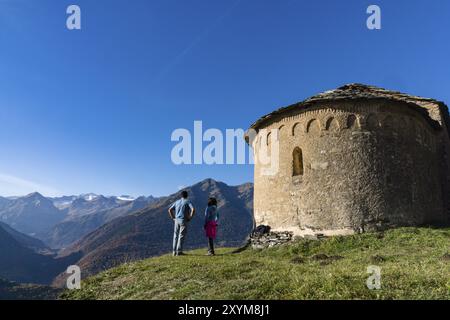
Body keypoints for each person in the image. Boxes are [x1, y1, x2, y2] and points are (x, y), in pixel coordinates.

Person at [168, 190, 195, 256]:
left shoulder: (177, 202)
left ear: (181, 195)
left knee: (175, 235)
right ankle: (179, 251)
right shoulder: (187, 201)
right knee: (181, 236)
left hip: (176, 220)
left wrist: (173, 218)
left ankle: (174, 252)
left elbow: (169, 210)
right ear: (187, 195)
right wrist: (190, 217)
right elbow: (193, 209)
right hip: (183, 220)